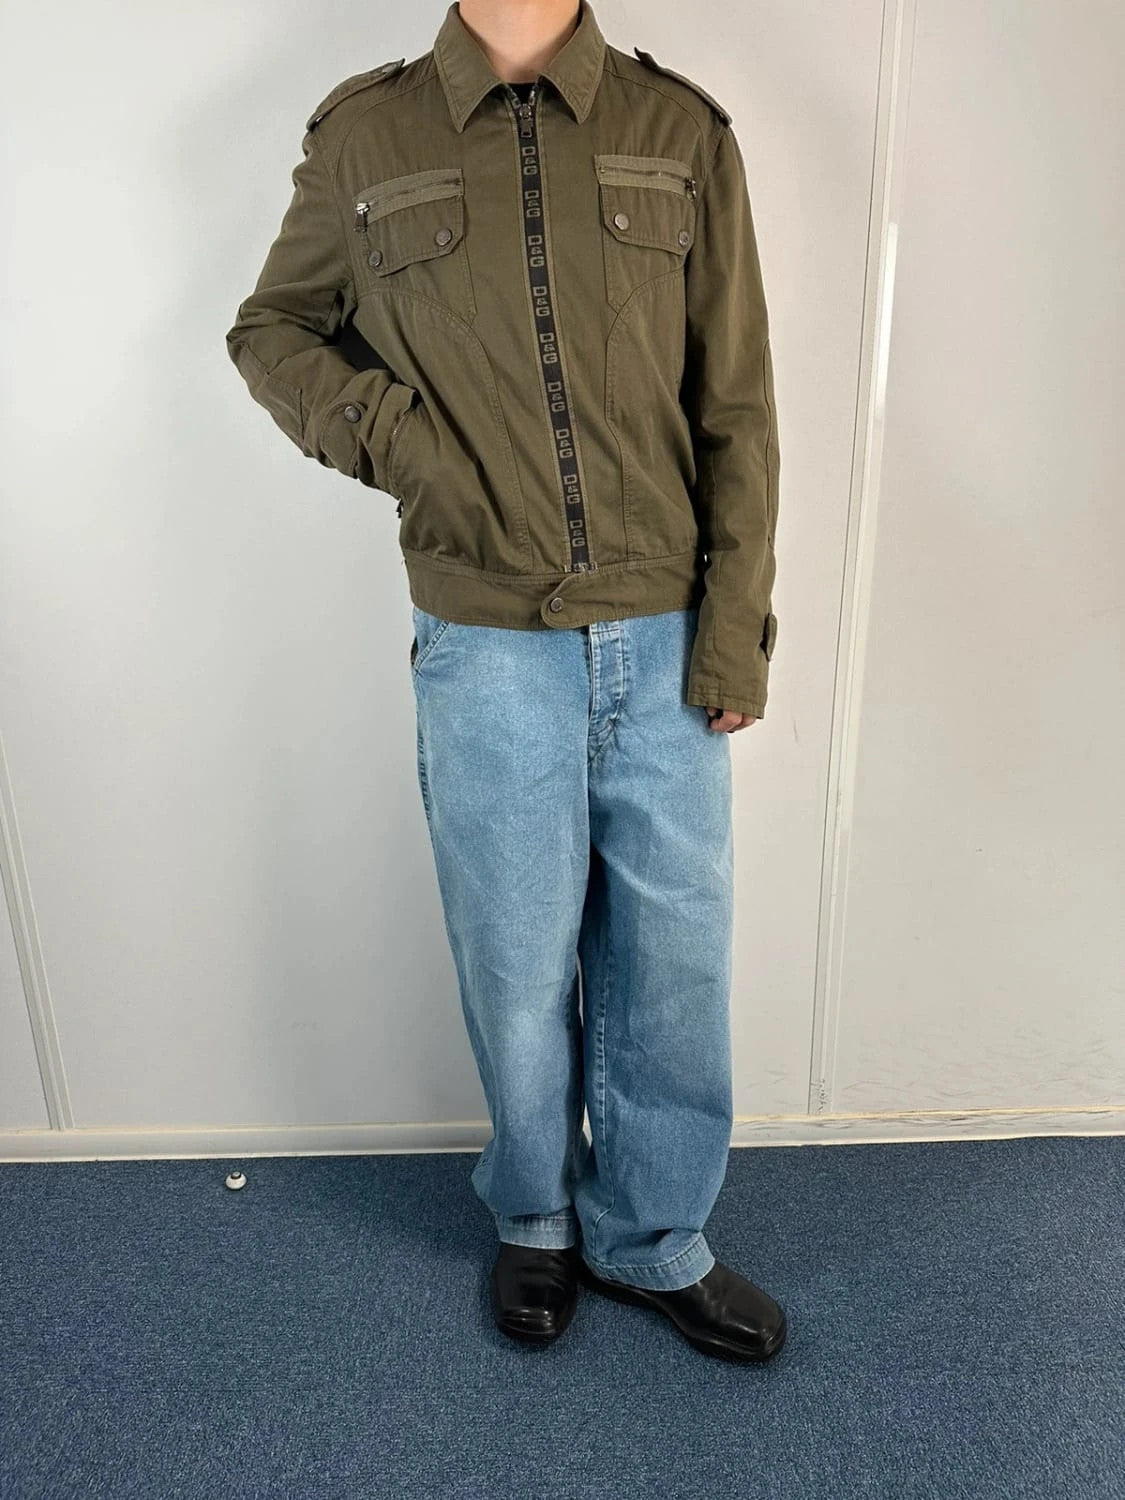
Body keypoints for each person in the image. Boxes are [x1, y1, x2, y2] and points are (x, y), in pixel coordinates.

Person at [225, 0, 785, 1364]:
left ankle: (652, 1236)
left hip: (664, 630)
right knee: (514, 955)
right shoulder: (366, 134)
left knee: (671, 965)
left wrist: (731, 632)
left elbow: (736, 403)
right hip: (484, 640)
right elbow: (273, 330)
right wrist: (404, 445)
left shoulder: (679, 130)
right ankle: (534, 1217)